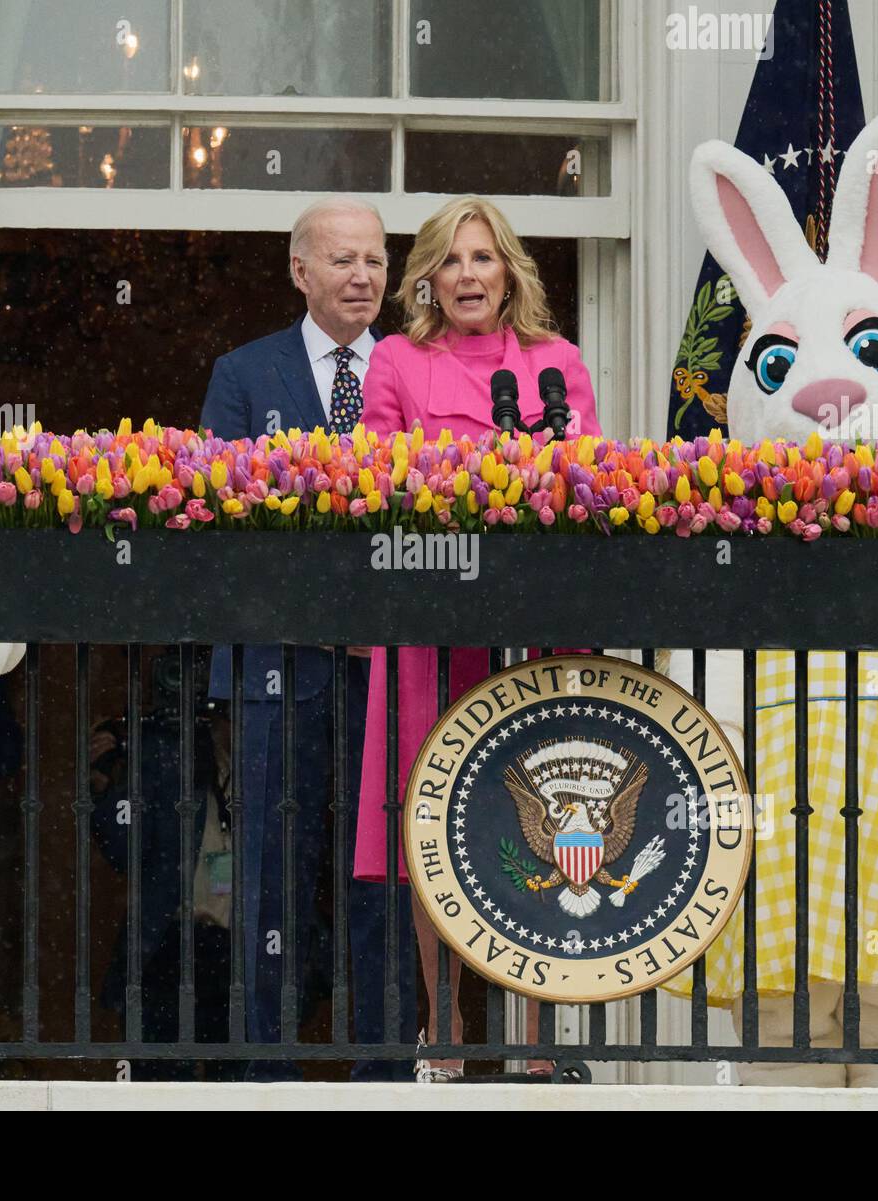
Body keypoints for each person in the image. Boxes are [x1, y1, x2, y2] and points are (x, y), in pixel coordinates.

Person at [353, 197, 601, 1079]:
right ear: (427, 276)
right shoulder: (396, 360)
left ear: (509, 274)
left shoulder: (555, 364)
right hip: (430, 631)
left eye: (484, 259)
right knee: (436, 824)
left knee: (539, 819)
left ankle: (536, 1041)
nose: (467, 275)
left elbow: (590, 488)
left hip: (529, 637)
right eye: (452, 261)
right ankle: (447, 1027)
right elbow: (372, 486)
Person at [199, 196, 417, 1081]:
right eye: (342, 261)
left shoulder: (409, 370)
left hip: (385, 666)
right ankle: (269, 1065)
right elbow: (215, 521)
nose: (363, 276)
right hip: (278, 665)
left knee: (385, 868)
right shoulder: (245, 374)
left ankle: (385, 1065)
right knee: (272, 871)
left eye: (374, 260)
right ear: (300, 271)